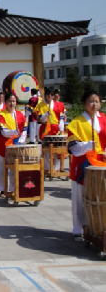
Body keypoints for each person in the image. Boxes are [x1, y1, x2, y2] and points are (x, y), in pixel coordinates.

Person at [67, 91, 106, 241]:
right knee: (79, 197)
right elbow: (72, 146)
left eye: (97, 101)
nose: (94, 104)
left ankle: (97, 228)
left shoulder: (103, 119)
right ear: (84, 103)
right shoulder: (76, 122)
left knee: (99, 196)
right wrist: (88, 145)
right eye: (91, 101)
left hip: (101, 162)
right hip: (83, 162)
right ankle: (78, 229)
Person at [0, 92, 27, 195]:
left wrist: (21, 140)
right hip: (3, 144)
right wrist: (15, 132)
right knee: (1, 167)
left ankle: (13, 188)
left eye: (13, 101)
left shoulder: (20, 115)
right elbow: (3, 131)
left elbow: (24, 129)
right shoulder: (1, 115)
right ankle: (2, 187)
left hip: (15, 145)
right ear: (5, 102)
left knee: (14, 167)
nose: (12, 103)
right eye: (9, 101)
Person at [34, 87, 65, 172]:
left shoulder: (58, 104)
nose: (50, 96)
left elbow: (61, 117)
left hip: (55, 128)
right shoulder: (40, 105)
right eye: (48, 94)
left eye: (52, 94)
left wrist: (61, 128)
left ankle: (56, 168)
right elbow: (38, 118)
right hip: (45, 127)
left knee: (58, 148)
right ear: (45, 95)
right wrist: (45, 115)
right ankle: (47, 168)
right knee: (46, 148)